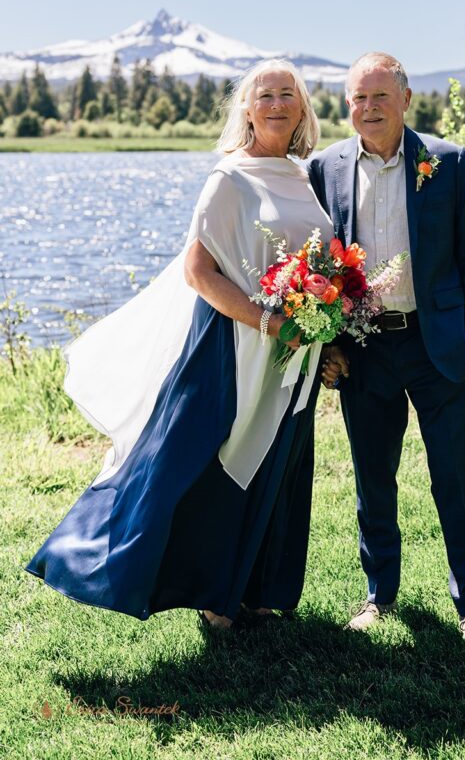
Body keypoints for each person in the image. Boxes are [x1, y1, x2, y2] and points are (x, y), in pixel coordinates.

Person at [25, 59, 333, 632]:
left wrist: (320, 322)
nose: (276, 103)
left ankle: (253, 593)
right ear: (246, 108)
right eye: (264, 94)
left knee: (276, 463)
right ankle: (198, 595)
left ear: (302, 107)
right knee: (197, 462)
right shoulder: (229, 177)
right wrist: (268, 322)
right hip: (228, 343)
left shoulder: (303, 175)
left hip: (294, 351)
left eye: (287, 94)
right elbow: (198, 272)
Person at [307, 51, 465, 648]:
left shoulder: (447, 161)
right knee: (374, 478)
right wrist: (329, 342)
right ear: (347, 105)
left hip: (437, 345)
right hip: (365, 349)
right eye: (359, 98)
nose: (369, 108)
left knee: (457, 479)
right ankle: (379, 595)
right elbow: (316, 257)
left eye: (380, 97)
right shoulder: (324, 168)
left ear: (406, 100)